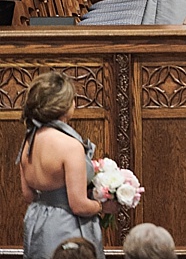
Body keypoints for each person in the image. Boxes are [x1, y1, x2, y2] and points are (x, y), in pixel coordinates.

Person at [17, 72, 115, 259]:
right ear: (62, 105)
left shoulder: (28, 142)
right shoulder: (70, 146)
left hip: (38, 223)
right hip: (66, 226)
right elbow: (78, 205)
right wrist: (103, 207)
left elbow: (28, 195)